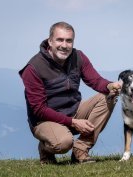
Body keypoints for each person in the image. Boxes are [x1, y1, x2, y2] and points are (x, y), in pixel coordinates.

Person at [19, 21, 122, 164]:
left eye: (69, 40)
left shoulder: (78, 57)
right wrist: (73, 122)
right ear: (50, 41)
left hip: (73, 111)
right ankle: (45, 149)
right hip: (44, 120)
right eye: (59, 40)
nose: (64, 45)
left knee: (108, 97)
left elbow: (96, 81)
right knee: (63, 143)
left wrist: (111, 85)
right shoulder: (33, 68)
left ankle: (81, 149)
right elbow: (39, 109)